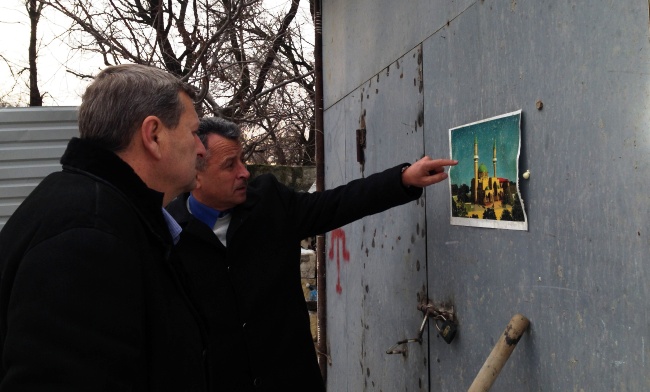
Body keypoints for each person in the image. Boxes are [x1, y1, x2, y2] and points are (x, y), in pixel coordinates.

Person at [166, 116, 457, 391]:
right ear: (197, 174)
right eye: (230, 165)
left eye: (242, 159)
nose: (244, 171)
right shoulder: (167, 235)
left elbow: (336, 204)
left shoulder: (269, 202)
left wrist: (403, 179)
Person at [0, 64, 209, 391]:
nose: (201, 148)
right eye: (193, 132)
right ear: (153, 135)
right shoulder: (89, 236)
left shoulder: (98, 209)